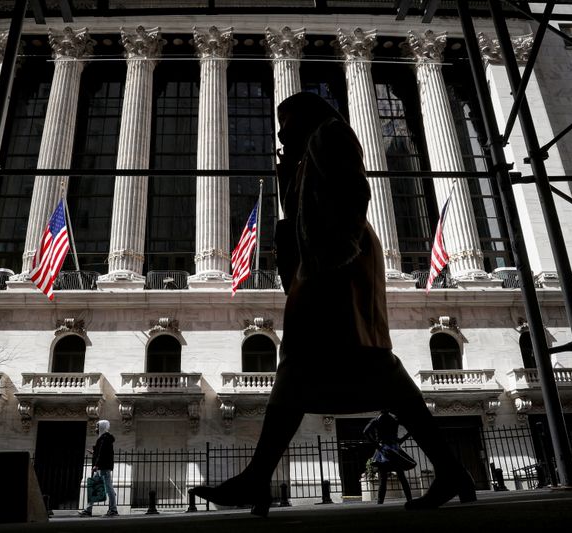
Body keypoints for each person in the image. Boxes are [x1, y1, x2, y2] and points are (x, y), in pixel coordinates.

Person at [191, 92, 475, 514]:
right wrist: (289, 178)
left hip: (337, 263)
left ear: (306, 118)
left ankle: (256, 477)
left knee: (316, 361)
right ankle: (450, 470)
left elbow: (354, 192)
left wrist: (333, 256)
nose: (281, 134)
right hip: (333, 260)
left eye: (285, 124)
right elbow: (307, 213)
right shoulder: (309, 153)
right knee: (357, 366)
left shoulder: (330, 133)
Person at [363, 411, 415, 504]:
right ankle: (409, 499)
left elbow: (365, 432)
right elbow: (411, 427)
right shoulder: (394, 420)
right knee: (402, 477)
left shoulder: (376, 420)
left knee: (383, 479)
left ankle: (380, 501)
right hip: (394, 448)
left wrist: (376, 444)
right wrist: (400, 440)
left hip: (383, 449)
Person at [79, 419, 118, 517]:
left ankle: (113, 509)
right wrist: (94, 453)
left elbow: (102, 453)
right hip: (101, 466)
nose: (96, 429)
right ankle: (88, 510)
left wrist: (96, 465)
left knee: (108, 488)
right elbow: (101, 453)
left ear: (102, 427)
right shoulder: (104, 438)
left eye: (97, 427)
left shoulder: (104, 438)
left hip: (102, 467)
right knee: (95, 486)